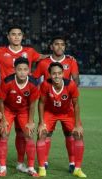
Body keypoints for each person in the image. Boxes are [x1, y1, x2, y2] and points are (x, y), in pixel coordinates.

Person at [0, 25, 47, 173]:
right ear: (8, 36)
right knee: (3, 132)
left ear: (22, 36)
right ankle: (1, 164)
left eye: (19, 34)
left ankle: (23, 164)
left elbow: (43, 57)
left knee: (25, 133)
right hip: (7, 101)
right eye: (13, 34)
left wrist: (63, 57)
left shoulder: (29, 51)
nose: (16, 37)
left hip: (23, 104)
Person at [33, 36, 80, 171]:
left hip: (66, 106)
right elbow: (34, 80)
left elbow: (76, 81)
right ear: (51, 46)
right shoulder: (43, 63)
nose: (60, 47)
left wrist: (67, 93)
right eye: (57, 44)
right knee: (45, 134)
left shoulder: (71, 61)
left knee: (70, 134)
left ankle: (72, 163)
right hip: (48, 106)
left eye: (62, 44)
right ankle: (44, 162)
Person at [36, 62, 86, 178]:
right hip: (50, 113)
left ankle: (77, 169)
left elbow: (76, 105)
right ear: (49, 74)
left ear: (63, 73)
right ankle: (42, 168)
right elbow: (41, 103)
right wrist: (41, 122)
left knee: (78, 134)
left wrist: (78, 124)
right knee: (42, 134)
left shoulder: (71, 85)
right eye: (54, 73)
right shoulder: (45, 85)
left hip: (67, 113)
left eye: (59, 73)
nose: (57, 76)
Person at [0, 57, 39, 177]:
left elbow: (32, 104)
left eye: (25, 69)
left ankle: (29, 166)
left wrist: (30, 122)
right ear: (15, 69)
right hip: (8, 110)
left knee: (28, 134)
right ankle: (2, 167)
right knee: (4, 133)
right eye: (19, 69)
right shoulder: (7, 82)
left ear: (28, 71)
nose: (22, 72)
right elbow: (0, 101)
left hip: (23, 111)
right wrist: (3, 120)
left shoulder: (33, 83)